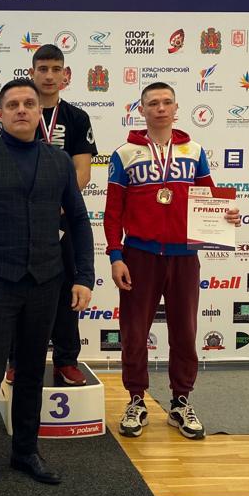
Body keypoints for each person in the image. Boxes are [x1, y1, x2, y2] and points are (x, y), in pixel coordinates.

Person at [0, 79, 94, 496]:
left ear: (38, 111)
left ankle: (25, 452)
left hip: (46, 282)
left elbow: (79, 222)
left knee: (31, 374)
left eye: (29, 103)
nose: (22, 110)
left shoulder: (59, 161)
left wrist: (84, 277)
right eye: (13, 104)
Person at [104, 82, 240, 439]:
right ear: (142, 110)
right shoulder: (124, 154)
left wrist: (228, 216)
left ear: (176, 108)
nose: (160, 108)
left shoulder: (194, 151)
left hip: (184, 257)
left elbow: (210, 198)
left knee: (185, 332)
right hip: (140, 255)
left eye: (167, 102)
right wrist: (116, 255)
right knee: (134, 332)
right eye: (153, 103)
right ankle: (136, 400)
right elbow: (113, 212)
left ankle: (180, 402)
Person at [5, 43, 97, 387]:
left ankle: (66, 360)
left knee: (67, 288)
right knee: (19, 288)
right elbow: (7, 164)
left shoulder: (77, 118)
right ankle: (17, 360)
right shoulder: (20, 112)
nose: (48, 75)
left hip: (62, 218)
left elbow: (82, 172)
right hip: (23, 221)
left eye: (55, 69)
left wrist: (53, 204)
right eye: (42, 69)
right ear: (31, 73)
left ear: (65, 74)